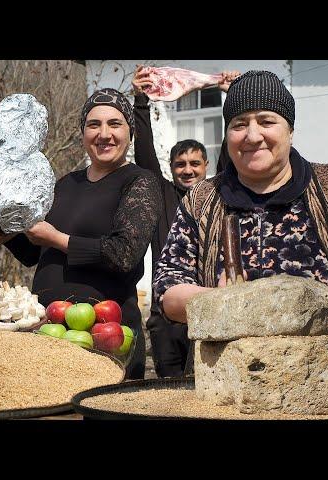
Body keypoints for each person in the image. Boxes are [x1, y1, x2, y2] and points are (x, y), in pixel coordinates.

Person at [152, 70, 328, 395]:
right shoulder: (202, 200)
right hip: (226, 394)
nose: (252, 135)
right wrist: (234, 303)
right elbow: (168, 288)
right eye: (239, 124)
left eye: (266, 121)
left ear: (290, 129)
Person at [5, 87, 162, 380]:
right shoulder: (66, 184)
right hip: (48, 334)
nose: (104, 134)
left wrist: (56, 238)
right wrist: (3, 222)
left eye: (114, 124)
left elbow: (123, 253)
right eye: (94, 124)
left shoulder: (139, 182)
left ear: (130, 131)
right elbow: (30, 253)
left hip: (106, 339)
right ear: (83, 133)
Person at [131, 66, 239, 377]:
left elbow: (231, 153)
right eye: (180, 164)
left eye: (195, 163)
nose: (188, 170)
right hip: (165, 317)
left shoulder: (218, 194)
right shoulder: (161, 194)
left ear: (207, 165)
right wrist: (141, 100)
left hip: (211, 312)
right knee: (169, 396)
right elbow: (144, 153)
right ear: (172, 168)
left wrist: (230, 98)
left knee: (209, 393)